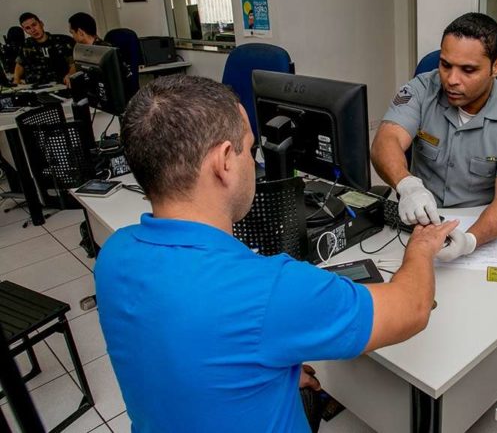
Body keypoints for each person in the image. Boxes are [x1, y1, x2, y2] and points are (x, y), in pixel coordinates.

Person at [95, 75, 458, 433]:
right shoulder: (269, 289)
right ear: (224, 162)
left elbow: (175, 350)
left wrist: (259, 374)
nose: (254, 162)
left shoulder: (114, 253)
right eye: (251, 150)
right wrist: (421, 248)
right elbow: (412, 309)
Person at [371, 12, 497, 262]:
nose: (452, 80)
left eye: (468, 70)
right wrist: (407, 185)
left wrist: (470, 240)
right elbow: (386, 141)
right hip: (415, 214)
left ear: (495, 67)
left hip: (480, 224)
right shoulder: (421, 88)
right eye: (445, 65)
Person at [13, 12, 75, 85]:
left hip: (59, 85)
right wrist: (16, 81)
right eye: (28, 28)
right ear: (25, 31)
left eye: (34, 25)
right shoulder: (26, 45)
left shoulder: (63, 41)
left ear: (41, 24)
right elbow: (19, 65)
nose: (33, 30)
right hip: (34, 87)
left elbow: (74, 64)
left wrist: (71, 75)